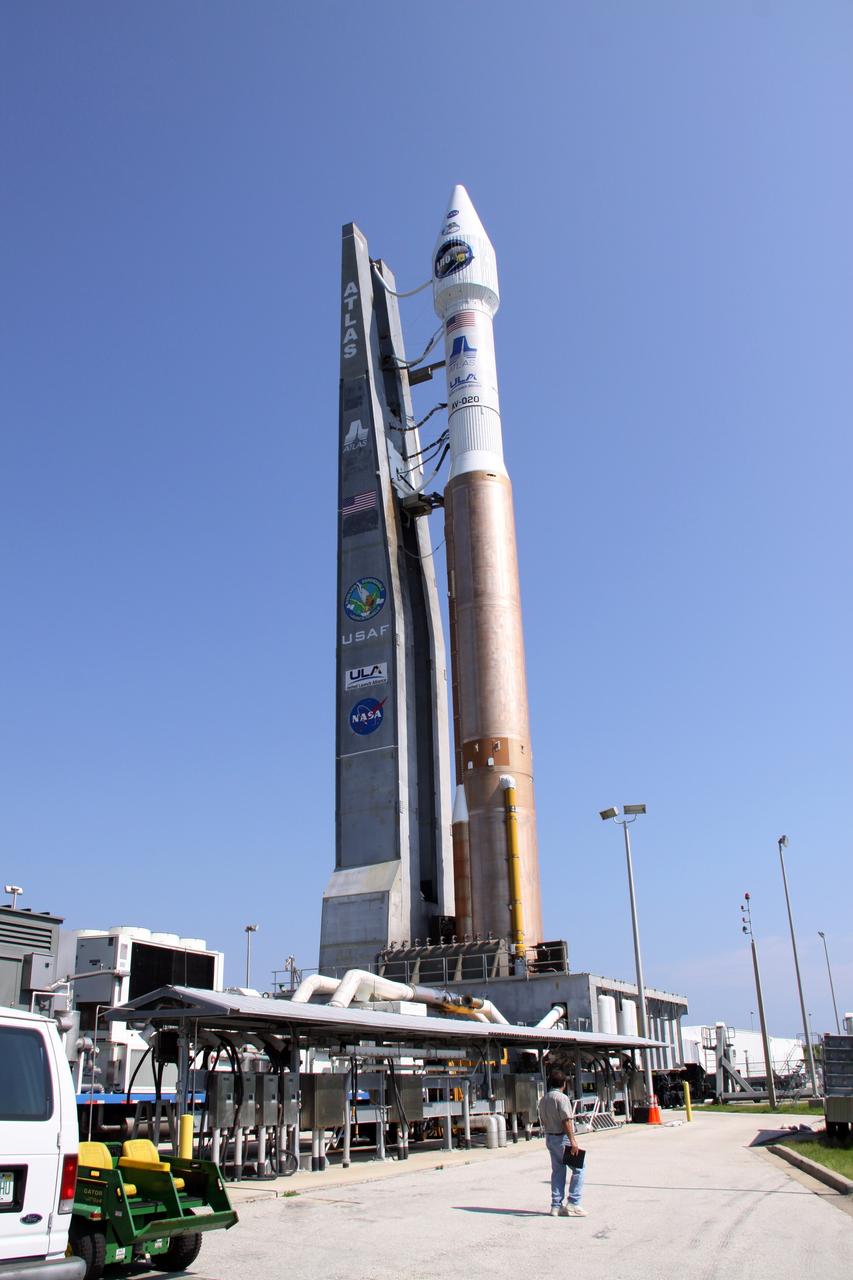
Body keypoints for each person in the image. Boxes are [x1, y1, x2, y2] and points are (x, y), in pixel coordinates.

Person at [537, 1067, 587, 1217]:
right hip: (562, 1137)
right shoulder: (562, 1098)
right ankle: (573, 1202)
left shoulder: (544, 1099)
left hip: (550, 1137)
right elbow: (566, 1121)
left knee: (558, 1171)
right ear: (564, 1083)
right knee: (579, 1168)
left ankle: (555, 1206)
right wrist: (573, 1140)